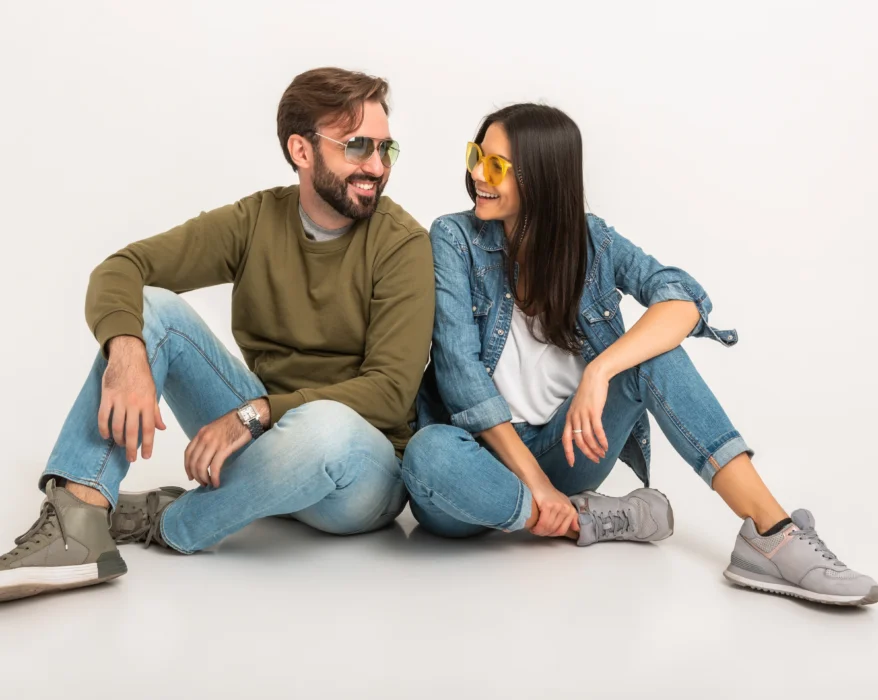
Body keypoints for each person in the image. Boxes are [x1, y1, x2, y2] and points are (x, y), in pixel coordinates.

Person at [404, 102, 877, 607]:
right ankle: (584, 518)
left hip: (567, 448)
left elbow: (683, 300)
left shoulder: (594, 241)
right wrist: (537, 487)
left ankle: (772, 533)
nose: (477, 173)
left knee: (653, 355)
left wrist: (602, 371)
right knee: (427, 454)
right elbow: (460, 377)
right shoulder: (455, 238)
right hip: (475, 463)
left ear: (541, 178)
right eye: (477, 155)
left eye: (497, 165)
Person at [0, 67, 434, 603]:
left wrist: (259, 413)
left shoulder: (403, 245)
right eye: (358, 146)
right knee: (150, 309)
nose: (376, 166)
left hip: (358, 473)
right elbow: (123, 268)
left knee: (326, 430)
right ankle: (78, 524)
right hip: (262, 440)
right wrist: (127, 351)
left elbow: (389, 393)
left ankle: (171, 521)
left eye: (386, 149)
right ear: (301, 150)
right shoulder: (256, 221)